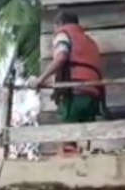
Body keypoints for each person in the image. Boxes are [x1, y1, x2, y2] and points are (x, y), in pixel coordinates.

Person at [27, 10, 105, 153]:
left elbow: (61, 57)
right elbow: (80, 69)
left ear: (60, 24)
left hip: (74, 94)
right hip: (93, 95)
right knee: (86, 137)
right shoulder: (90, 42)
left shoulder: (63, 35)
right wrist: (45, 83)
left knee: (68, 138)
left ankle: (70, 162)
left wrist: (39, 79)